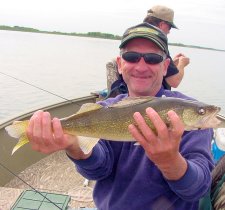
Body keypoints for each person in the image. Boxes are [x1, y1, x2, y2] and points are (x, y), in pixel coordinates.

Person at [27, 23, 214, 210]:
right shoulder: (103, 109)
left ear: (165, 67)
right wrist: (75, 147)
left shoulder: (194, 122)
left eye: (152, 58)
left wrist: (170, 161)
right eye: (131, 57)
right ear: (120, 64)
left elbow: (198, 188)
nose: (141, 67)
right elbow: (99, 170)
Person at [143, 5, 190, 89]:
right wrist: (182, 63)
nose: (169, 32)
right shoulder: (158, 43)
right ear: (162, 25)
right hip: (154, 99)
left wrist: (172, 63)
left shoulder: (136, 38)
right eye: (170, 27)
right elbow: (174, 82)